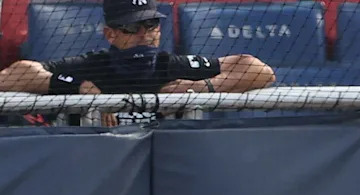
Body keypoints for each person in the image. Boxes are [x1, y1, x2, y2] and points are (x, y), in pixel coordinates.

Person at [0, 0, 275, 125]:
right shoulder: (92, 66)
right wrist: (77, 87)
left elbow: (258, 70)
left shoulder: (172, 66)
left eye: (151, 24)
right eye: (133, 27)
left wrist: (203, 87)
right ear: (111, 34)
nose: (145, 35)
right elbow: (12, 76)